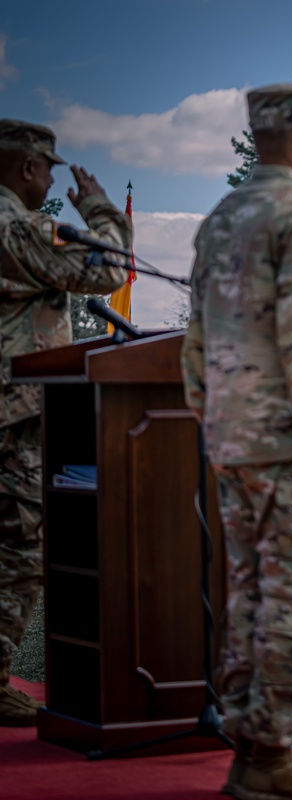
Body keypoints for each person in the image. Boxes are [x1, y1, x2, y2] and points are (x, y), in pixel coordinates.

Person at [180, 84, 292, 799]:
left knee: (250, 594)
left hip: (233, 439)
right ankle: (269, 757)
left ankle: (250, 750)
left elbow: (194, 341)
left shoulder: (223, 217)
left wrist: (213, 422)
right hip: (288, 443)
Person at [0, 120, 130, 728]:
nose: (53, 178)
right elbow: (108, 270)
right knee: (19, 547)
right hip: (10, 413)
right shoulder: (17, 228)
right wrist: (100, 209)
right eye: (47, 168)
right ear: (26, 167)